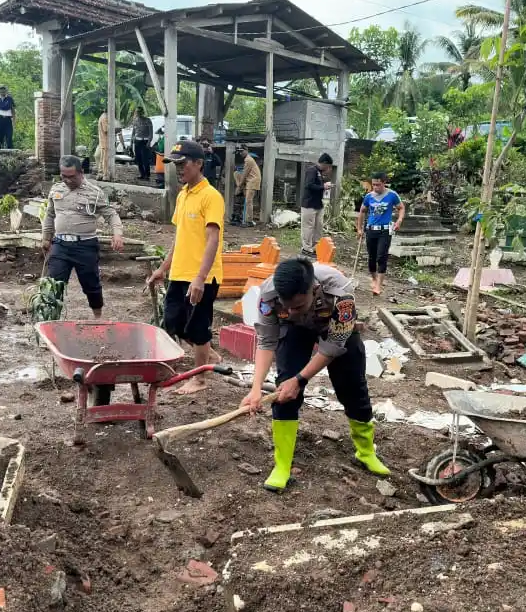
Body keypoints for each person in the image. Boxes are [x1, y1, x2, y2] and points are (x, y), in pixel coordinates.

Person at [241, 258, 391, 492]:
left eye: (298, 306)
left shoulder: (341, 295)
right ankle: (282, 465)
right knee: (284, 391)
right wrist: (256, 388)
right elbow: (267, 340)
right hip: (294, 331)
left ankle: (365, 452)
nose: (290, 311)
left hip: (334, 332)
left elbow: (333, 346)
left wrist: (300, 380)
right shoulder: (269, 295)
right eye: (286, 306)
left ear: (314, 289)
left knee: (352, 387)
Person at [146, 141, 224, 395]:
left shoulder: (211, 196)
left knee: (198, 327)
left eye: (183, 164)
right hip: (180, 272)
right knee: (174, 323)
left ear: (199, 163)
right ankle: (209, 356)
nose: (178, 169)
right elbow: (180, 238)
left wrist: (200, 278)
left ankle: (200, 379)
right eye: (175, 165)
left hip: (202, 275)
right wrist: (163, 268)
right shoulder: (183, 195)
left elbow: (213, 239)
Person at [42, 155, 124, 318]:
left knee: (91, 285)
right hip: (60, 245)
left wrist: (118, 234)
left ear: (81, 173)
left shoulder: (95, 193)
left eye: (71, 176)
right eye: (63, 176)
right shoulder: (56, 190)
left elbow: (111, 214)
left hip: (85, 246)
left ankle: (98, 318)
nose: (67, 180)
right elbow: (49, 214)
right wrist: (46, 237)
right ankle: (51, 321)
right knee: (53, 284)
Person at [357, 172, 406, 296]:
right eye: (373, 185)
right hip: (371, 229)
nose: (375, 187)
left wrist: (399, 220)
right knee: (372, 257)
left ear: (384, 183)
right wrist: (359, 228)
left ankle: (378, 285)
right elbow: (362, 211)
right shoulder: (369, 197)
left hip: (385, 230)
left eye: (378, 185)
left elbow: (401, 207)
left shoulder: (392, 195)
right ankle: (374, 279)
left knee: (381, 256)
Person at [301, 153, 334, 257]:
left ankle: (316, 248)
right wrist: (323, 186)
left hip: (318, 204)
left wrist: (324, 185)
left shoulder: (319, 172)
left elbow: (318, 186)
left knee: (318, 227)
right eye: (328, 166)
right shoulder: (312, 170)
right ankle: (306, 248)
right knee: (308, 227)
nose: (328, 168)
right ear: (324, 163)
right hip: (309, 204)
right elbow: (309, 185)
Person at [233, 145, 261, 226]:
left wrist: (238, 186)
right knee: (236, 173)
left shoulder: (248, 160)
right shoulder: (247, 159)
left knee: (248, 201)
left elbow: (245, 174)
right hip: (248, 181)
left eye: (242, 151)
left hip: (252, 182)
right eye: (240, 151)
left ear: (246, 150)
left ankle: (249, 221)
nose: (241, 153)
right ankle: (240, 189)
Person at [130, 109, 154, 181]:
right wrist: (132, 142)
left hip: (145, 141)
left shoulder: (148, 120)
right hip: (137, 141)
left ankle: (147, 175)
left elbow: (151, 132)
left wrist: (149, 142)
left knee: (145, 159)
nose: (138, 113)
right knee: (138, 159)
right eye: (137, 112)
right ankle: (142, 174)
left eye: (140, 112)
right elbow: (133, 132)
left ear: (142, 112)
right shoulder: (135, 121)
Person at [0, 85, 15, 149]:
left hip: (8, 119)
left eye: (3, 91)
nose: (2, 92)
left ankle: (10, 150)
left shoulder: (9, 99)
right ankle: (0, 150)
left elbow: (13, 110)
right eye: (1, 91)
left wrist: (14, 120)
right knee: (0, 135)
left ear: (6, 91)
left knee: (9, 135)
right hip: (0, 119)